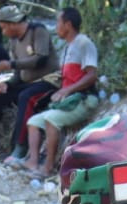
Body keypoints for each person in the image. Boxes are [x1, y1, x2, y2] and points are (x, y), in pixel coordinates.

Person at [20, 7, 100, 177]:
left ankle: (47, 168)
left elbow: (92, 75)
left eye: (58, 22)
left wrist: (67, 90)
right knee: (33, 122)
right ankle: (32, 162)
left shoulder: (84, 43)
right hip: (69, 101)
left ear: (68, 25)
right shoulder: (67, 47)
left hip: (83, 99)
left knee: (51, 119)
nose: (56, 26)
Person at [0, 4, 56, 160]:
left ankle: (19, 147)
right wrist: (8, 84)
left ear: (12, 24)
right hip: (27, 83)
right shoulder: (14, 42)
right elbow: (18, 73)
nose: (3, 32)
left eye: (4, 27)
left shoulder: (38, 30)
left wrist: (11, 64)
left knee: (26, 97)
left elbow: (41, 59)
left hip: (48, 82)